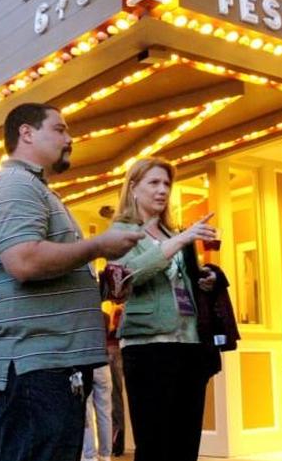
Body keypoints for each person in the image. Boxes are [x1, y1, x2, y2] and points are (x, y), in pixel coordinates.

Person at [0, 102, 143, 461]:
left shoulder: (35, 189)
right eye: (60, 129)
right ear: (27, 133)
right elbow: (23, 260)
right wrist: (97, 245)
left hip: (48, 364)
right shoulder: (15, 185)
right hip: (34, 366)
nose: (70, 138)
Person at [110, 157, 220, 461]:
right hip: (148, 347)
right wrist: (181, 240)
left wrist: (204, 280)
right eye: (154, 183)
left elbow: (181, 284)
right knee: (155, 445)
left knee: (186, 446)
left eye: (167, 184)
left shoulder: (173, 233)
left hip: (189, 344)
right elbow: (126, 279)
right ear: (133, 188)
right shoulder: (120, 231)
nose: (162, 190)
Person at [81, 311, 113, 461]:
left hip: (85, 363)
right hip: (103, 363)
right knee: (105, 412)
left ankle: (90, 455)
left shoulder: (79, 317)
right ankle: (106, 454)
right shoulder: (104, 316)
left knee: (86, 413)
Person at [105, 306, 125, 457]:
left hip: (113, 351)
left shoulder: (117, 311)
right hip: (114, 350)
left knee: (114, 396)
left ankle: (117, 438)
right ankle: (116, 439)